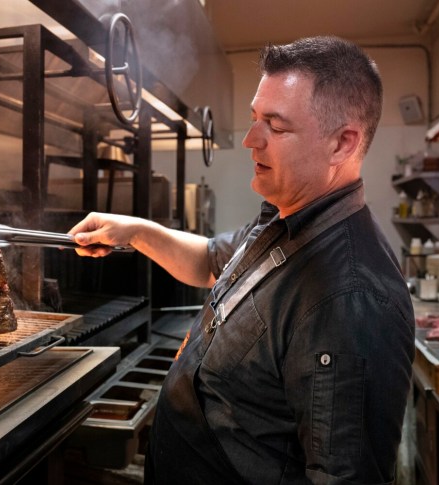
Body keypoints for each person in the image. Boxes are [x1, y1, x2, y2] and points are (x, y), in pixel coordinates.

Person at [69, 36, 415, 484]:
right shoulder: (286, 219)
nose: (251, 140)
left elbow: (342, 477)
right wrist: (135, 232)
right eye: (255, 118)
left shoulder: (349, 300)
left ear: (342, 144)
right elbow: (210, 261)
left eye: (275, 125)